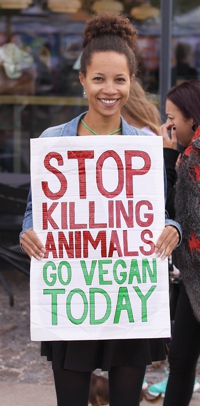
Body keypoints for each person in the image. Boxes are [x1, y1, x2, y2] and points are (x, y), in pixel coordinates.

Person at [20, 13, 181, 406]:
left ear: (131, 82)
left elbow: (161, 208)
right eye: (99, 79)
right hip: (74, 293)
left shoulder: (144, 144)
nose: (109, 90)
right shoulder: (53, 140)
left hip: (128, 294)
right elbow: (34, 210)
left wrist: (172, 227)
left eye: (120, 80)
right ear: (82, 80)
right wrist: (28, 232)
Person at [149, 79, 200, 406]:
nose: (167, 125)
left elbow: (176, 214)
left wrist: (168, 159)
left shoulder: (191, 158)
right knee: (181, 360)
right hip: (192, 278)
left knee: (181, 362)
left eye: (172, 118)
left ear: (192, 118)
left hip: (195, 276)